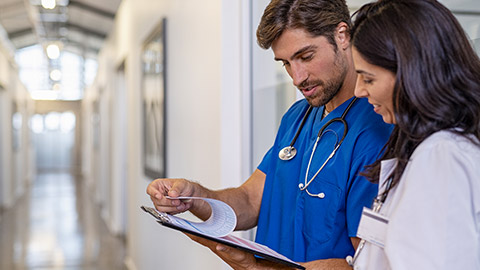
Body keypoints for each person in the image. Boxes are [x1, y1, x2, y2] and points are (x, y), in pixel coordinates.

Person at [147, 0, 392, 268]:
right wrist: (193, 197)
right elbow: (251, 200)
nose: (297, 78)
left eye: (306, 56)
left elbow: (370, 262)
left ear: (342, 35)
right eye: (285, 63)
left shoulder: (379, 127)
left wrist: (256, 268)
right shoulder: (297, 117)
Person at [349, 0, 480, 269]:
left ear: (412, 73)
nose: (358, 91)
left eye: (368, 78)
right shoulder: (428, 149)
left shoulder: (442, 155)